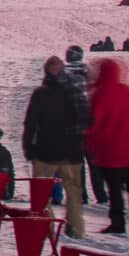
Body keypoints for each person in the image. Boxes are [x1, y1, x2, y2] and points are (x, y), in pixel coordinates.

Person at [23, 56, 88, 238]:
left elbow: (31, 123)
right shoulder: (74, 92)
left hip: (46, 151)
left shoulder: (41, 94)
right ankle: (76, 230)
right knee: (74, 193)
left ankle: (47, 230)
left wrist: (28, 146)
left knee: (42, 195)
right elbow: (86, 120)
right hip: (72, 153)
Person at [85, 58, 129, 234]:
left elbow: (93, 123)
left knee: (114, 189)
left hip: (109, 150)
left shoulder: (100, 93)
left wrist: (91, 142)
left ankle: (118, 222)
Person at [61, 44, 105, 206]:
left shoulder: (62, 76)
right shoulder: (91, 74)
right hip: (92, 128)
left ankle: (81, 196)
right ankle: (101, 195)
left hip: (71, 130)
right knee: (95, 164)